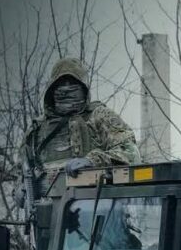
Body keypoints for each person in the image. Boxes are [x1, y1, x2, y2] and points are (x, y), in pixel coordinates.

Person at [16, 57, 140, 205]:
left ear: (83, 87)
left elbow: (131, 154)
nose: (67, 88)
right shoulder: (37, 129)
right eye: (61, 84)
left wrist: (92, 161)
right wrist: (20, 188)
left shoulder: (99, 117)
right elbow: (22, 170)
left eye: (73, 83)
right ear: (52, 88)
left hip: (96, 209)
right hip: (49, 213)